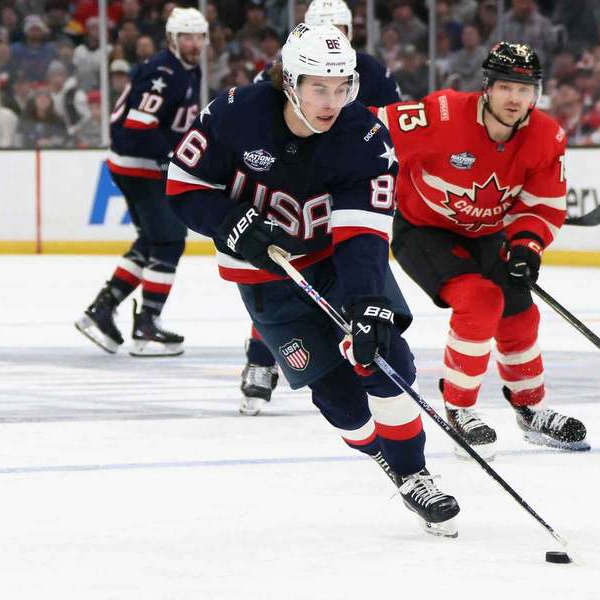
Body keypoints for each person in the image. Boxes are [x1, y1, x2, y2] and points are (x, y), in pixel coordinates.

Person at [166, 23, 460, 537]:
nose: (331, 100)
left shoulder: (363, 136)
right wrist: (229, 222)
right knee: (337, 398)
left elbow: (363, 234)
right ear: (290, 81)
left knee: (384, 358)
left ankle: (414, 473)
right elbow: (185, 185)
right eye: (318, 87)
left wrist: (367, 302)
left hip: (334, 261)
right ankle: (381, 455)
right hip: (265, 276)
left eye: (341, 86)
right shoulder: (234, 114)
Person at [378, 42, 588, 460]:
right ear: (487, 88)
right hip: (423, 229)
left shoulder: (546, 136)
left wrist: (528, 245)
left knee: (519, 310)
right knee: (479, 300)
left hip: (486, 233)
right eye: (507, 86)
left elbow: (541, 205)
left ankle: (531, 409)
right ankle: (460, 409)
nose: (515, 98)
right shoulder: (442, 114)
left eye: (525, 89)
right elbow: (368, 128)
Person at [244, 0, 401, 416]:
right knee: (282, 275)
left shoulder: (370, 72)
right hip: (293, 194)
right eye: (324, 27)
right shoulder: (280, 75)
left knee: (355, 275)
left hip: (349, 188)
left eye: (341, 27)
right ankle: (261, 361)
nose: (334, 35)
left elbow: (392, 128)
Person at [74, 8, 207, 356]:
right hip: (138, 165)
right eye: (187, 37)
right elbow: (137, 127)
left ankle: (102, 309)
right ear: (172, 40)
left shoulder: (185, 70)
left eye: (199, 37)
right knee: (170, 239)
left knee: (153, 239)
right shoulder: (166, 73)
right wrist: (172, 160)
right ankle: (147, 325)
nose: (194, 44)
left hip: (134, 163)